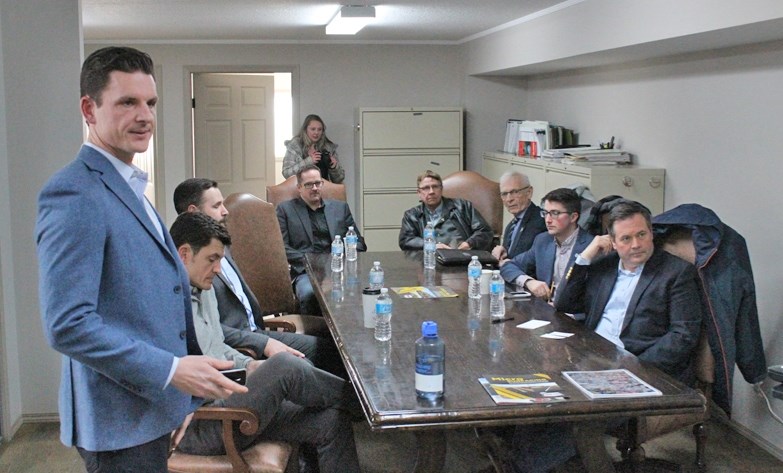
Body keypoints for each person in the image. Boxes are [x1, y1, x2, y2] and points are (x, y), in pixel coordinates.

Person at [36, 46, 244, 473]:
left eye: (149, 102)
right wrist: (171, 372)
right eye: (127, 102)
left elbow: (158, 295)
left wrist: (180, 395)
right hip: (116, 419)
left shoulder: (129, 183)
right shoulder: (75, 192)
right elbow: (67, 323)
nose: (145, 115)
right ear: (89, 110)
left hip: (151, 409)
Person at [501, 200, 703, 473]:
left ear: (651, 233)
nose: (635, 245)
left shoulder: (676, 273)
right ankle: (514, 458)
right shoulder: (605, 265)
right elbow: (564, 303)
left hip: (642, 369)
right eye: (626, 238)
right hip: (591, 358)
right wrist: (585, 257)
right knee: (535, 399)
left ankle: (523, 467)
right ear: (613, 242)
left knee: (579, 420)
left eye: (641, 234)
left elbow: (683, 335)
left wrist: (632, 365)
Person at [169, 212, 361, 472]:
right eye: (211, 259)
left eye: (220, 260)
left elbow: (218, 347)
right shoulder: (165, 303)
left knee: (331, 420)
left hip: (232, 398)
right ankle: (362, 403)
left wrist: (250, 365)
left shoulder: (205, 288)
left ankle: (357, 405)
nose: (217, 269)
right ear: (183, 254)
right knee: (283, 365)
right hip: (203, 424)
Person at [173, 178, 345, 375]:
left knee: (337, 346)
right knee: (318, 358)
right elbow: (213, 331)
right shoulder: (194, 266)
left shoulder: (221, 245)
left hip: (258, 330)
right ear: (193, 212)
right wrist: (263, 344)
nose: (225, 211)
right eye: (217, 205)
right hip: (243, 344)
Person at [277, 164, 366, 314]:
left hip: (340, 269)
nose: (315, 188)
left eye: (318, 183)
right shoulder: (285, 210)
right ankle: (314, 336)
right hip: (306, 272)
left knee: (368, 290)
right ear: (299, 187)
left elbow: (360, 244)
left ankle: (351, 334)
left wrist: (339, 256)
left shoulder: (340, 208)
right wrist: (315, 262)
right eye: (309, 184)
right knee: (310, 294)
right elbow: (281, 248)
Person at [498, 188, 593, 302]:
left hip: (573, 316)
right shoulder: (543, 241)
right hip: (544, 310)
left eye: (555, 213)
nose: (548, 220)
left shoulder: (590, 247)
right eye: (546, 213)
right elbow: (508, 266)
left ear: (573, 217)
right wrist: (529, 282)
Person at [398, 169, 494, 251]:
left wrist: (469, 244)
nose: (431, 192)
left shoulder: (462, 206)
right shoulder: (412, 215)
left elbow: (485, 231)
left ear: (441, 189)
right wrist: (432, 246)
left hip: (460, 258)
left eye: (435, 187)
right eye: (426, 188)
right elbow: (405, 240)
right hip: (429, 260)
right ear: (419, 193)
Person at [491, 171, 546, 260]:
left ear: (529, 192)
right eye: (504, 194)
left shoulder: (541, 222)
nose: (509, 199)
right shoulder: (511, 226)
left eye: (514, 192)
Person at [282, 114, 345, 183]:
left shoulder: (328, 148)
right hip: (300, 191)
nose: (316, 132)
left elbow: (339, 179)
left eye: (319, 129)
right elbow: (286, 173)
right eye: (313, 129)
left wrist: (334, 167)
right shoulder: (295, 146)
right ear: (305, 130)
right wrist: (308, 162)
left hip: (324, 190)